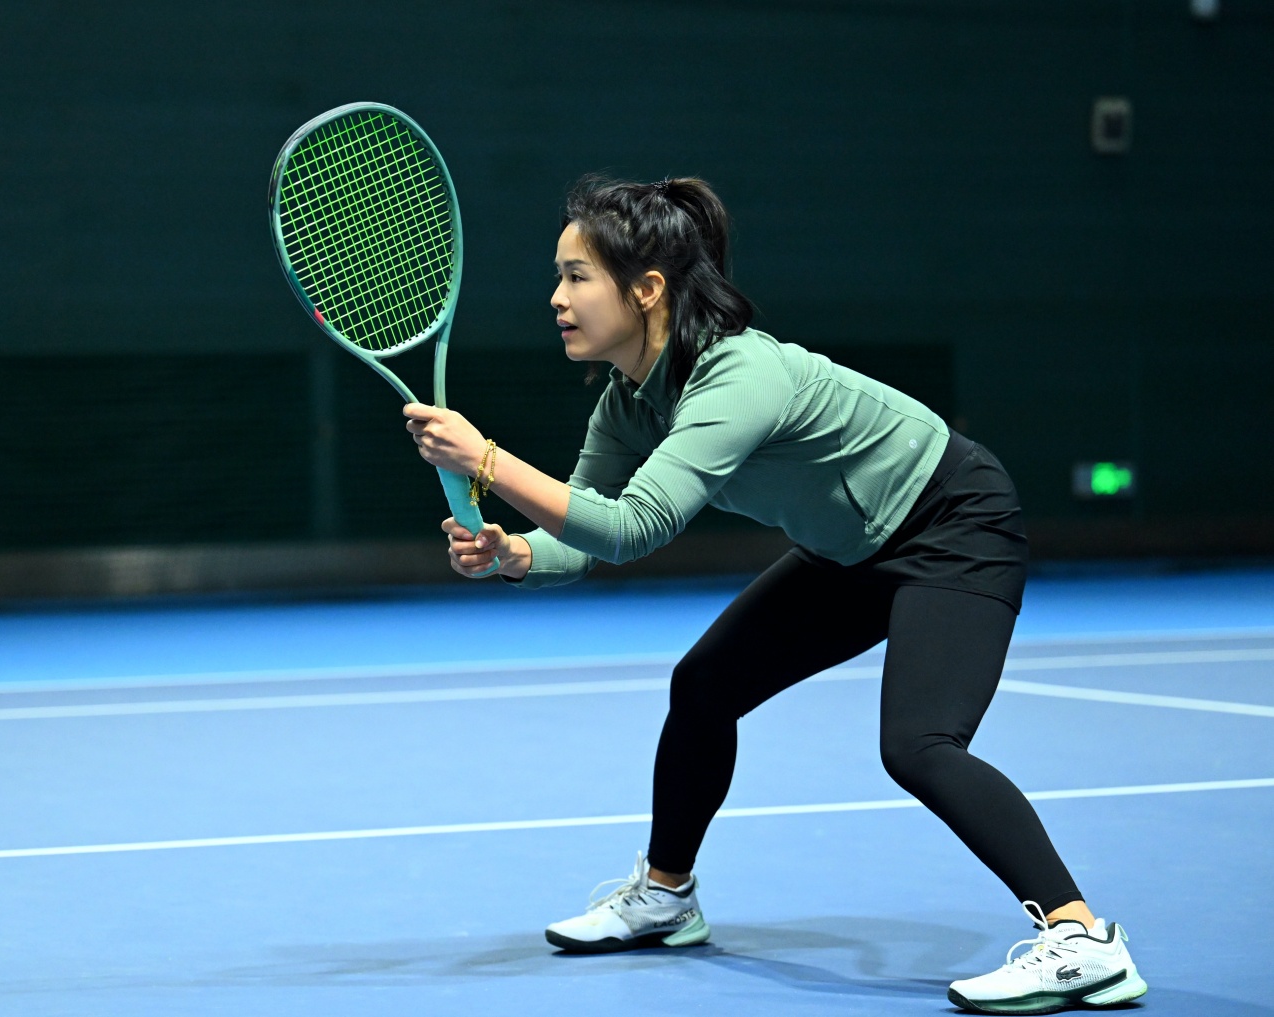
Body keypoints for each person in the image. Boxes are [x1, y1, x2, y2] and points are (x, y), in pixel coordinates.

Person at [402, 177, 1147, 1014]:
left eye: (577, 276)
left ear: (647, 290)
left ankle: (1083, 938)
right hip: (850, 550)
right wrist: (511, 554)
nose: (557, 297)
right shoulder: (629, 403)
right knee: (703, 685)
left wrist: (487, 461)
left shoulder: (738, 373)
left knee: (920, 743)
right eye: (558, 276)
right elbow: (583, 531)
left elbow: (634, 527)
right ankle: (666, 895)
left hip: (951, 522)